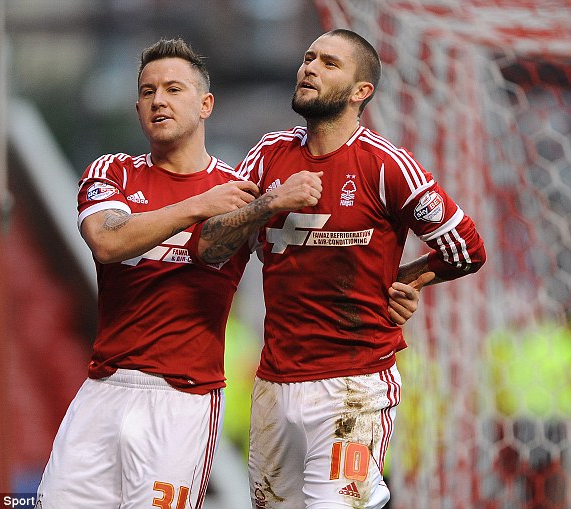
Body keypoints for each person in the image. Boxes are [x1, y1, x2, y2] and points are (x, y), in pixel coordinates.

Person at [36, 37, 423, 509]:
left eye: (174, 88)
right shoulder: (113, 172)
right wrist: (199, 206)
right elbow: (108, 240)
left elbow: (312, 252)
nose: (158, 99)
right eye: (147, 91)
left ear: (205, 105)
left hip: (184, 399)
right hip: (102, 389)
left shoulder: (243, 189)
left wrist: (394, 286)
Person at [191, 29, 486, 509]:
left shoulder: (387, 165)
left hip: (354, 385)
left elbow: (466, 250)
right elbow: (210, 246)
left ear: (360, 92)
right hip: (274, 383)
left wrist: (403, 279)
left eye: (329, 63)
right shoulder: (268, 155)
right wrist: (271, 203)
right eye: (308, 57)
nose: (309, 67)